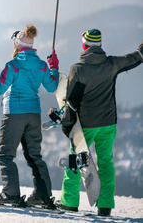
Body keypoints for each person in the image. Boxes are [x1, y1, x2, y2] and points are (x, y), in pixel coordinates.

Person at [56, 29, 142, 217]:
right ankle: (105, 204)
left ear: (84, 45)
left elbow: (71, 101)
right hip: (108, 123)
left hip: (85, 125)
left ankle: (69, 202)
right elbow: (135, 58)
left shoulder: (77, 69)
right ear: (100, 45)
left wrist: (67, 125)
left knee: (76, 160)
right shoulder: (111, 64)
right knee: (106, 162)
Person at [0, 24, 59, 208]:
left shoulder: (13, 65)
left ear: (17, 45)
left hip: (14, 113)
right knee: (34, 156)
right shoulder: (41, 65)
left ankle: (10, 193)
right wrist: (53, 67)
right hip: (34, 112)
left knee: (6, 155)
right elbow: (51, 87)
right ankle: (42, 195)